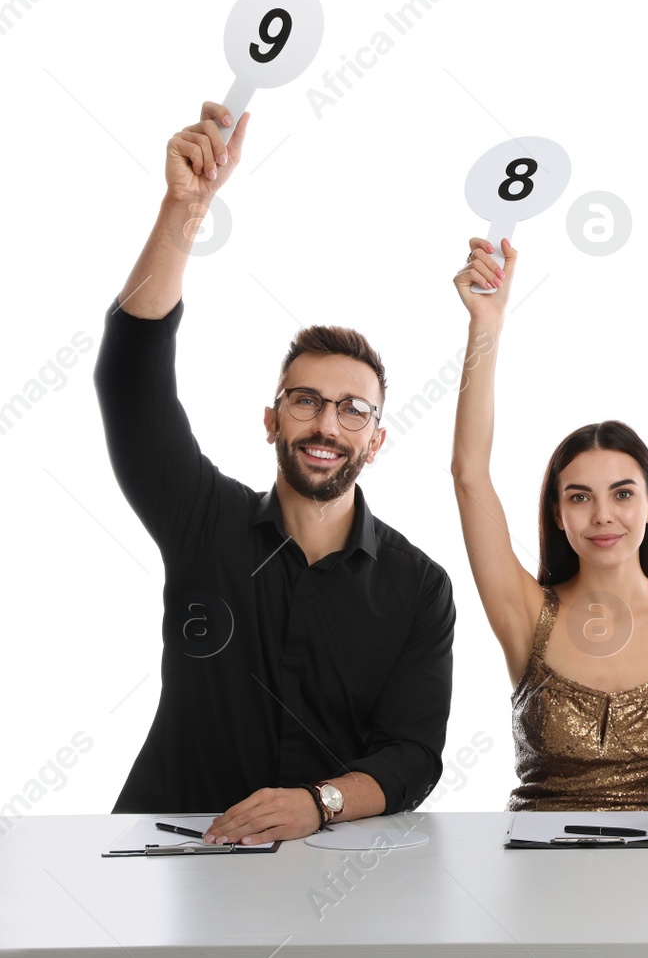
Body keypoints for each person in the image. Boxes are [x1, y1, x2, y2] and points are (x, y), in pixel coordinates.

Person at [93, 102, 455, 845]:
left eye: (352, 409)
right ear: (271, 419)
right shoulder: (203, 519)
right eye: (306, 401)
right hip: (167, 853)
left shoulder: (419, 587)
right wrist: (182, 212)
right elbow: (130, 381)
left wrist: (314, 803)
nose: (327, 424)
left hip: (322, 865)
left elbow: (413, 754)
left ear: (376, 439)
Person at [450, 238, 648, 826]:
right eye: (579, 497)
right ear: (558, 514)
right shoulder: (527, 612)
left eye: (623, 494)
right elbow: (469, 474)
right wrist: (487, 324)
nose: (603, 516)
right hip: (537, 873)